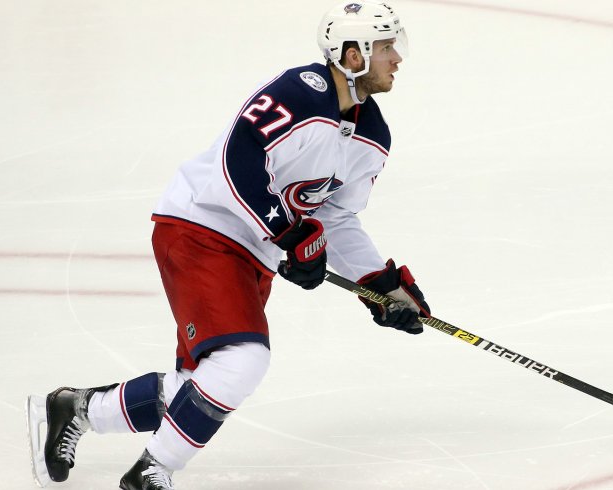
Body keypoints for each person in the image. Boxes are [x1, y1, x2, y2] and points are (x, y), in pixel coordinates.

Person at [25, 2, 431, 489]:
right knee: (243, 359)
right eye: (386, 47)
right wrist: (291, 233)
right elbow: (240, 159)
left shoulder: (372, 134)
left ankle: (78, 409)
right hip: (203, 226)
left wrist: (380, 285)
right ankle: (152, 471)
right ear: (352, 53)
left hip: (251, 250)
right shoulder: (301, 92)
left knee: (201, 384)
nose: (397, 59)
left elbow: (335, 215)